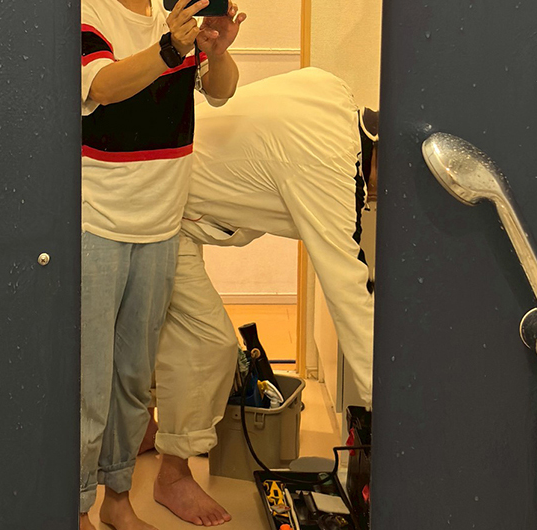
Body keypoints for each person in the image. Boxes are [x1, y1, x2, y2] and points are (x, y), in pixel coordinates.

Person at [146, 67, 377, 527]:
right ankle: (172, 475)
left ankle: (145, 431)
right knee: (209, 343)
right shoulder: (328, 167)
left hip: (167, 181)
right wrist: (389, 405)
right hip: (158, 208)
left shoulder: (332, 91)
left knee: (158, 327)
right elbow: (350, 293)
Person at [79, 0, 244, 528]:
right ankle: (76, 508)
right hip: (95, 220)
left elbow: (221, 90)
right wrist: (171, 48)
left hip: (162, 222)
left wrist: (216, 51)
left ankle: (117, 501)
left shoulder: (175, 16)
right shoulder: (88, 12)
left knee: (133, 380)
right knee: (88, 383)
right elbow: (103, 86)